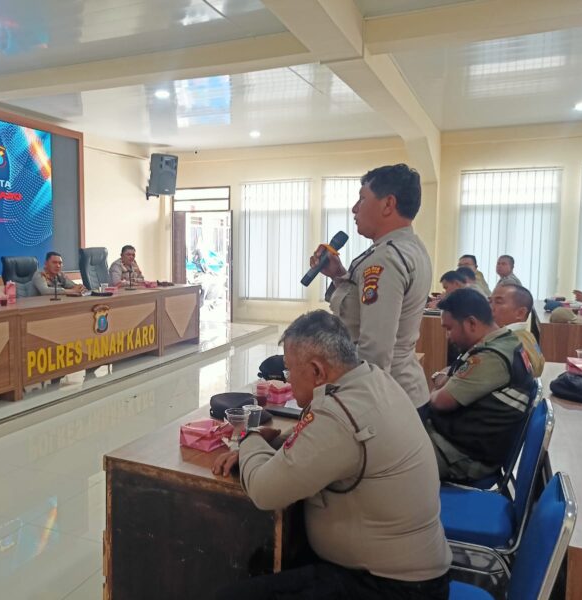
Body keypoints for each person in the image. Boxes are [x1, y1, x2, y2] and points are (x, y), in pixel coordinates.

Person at [212, 310, 451, 600]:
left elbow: (264, 491)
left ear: (317, 371)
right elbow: (320, 442)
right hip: (403, 569)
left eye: (289, 370)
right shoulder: (374, 379)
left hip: (391, 587)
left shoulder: (341, 414)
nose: (288, 380)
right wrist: (274, 443)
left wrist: (248, 438)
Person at [309, 164, 432, 412]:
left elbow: (375, 351)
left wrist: (353, 407)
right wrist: (339, 275)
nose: (355, 208)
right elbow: (364, 308)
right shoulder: (410, 247)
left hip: (387, 400)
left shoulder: (386, 258)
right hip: (404, 392)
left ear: (388, 204)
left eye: (362, 199)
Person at [426, 288, 534, 483]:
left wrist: (437, 387)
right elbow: (451, 374)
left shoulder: (491, 358)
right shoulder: (505, 342)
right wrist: (446, 379)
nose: (448, 336)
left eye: (449, 328)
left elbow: (439, 401)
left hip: (460, 457)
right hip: (457, 444)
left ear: (471, 323)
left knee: (381, 453)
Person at [490, 283, 545, 377]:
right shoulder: (529, 336)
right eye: (490, 301)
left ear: (520, 313)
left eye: (498, 302)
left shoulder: (506, 343)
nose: (490, 307)